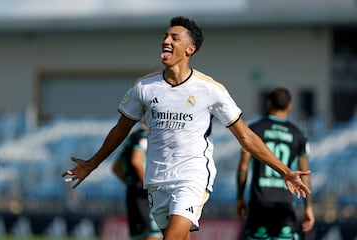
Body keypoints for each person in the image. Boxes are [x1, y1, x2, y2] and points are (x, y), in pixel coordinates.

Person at [62, 16, 311, 240]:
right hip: (157, 180)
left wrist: (284, 171)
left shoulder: (210, 89)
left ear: (190, 49)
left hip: (192, 177)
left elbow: (245, 136)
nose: (166, 40)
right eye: (165, 36)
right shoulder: (144, 87)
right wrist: (91, 164)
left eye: (174, 37)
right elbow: (120, 131)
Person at [236, 87, 315, 240]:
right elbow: (304, 174)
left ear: (269, 104)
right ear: (289, 107)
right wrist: (308, 208)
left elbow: (243, 167)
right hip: (284, 203)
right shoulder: (299, 134)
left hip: (259, 203)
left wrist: (240, 198)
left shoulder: (254, 130)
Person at [112, 122, 162, 240]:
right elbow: (136, 161)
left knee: (139, 236)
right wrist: (148, 184)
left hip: (132, 192)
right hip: (145, 195)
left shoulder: (133, 137)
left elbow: (116, 168)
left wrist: (132, 184)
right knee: (152, 235)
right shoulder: (145, 136)